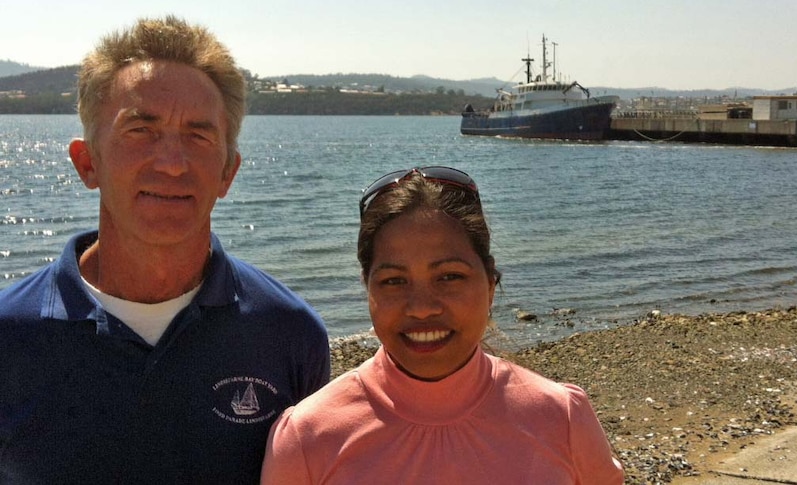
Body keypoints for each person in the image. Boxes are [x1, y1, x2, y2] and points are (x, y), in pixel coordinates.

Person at [0, 16, 330, 484]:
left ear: (227, 173)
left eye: (199, 136)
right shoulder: (10, 337)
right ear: (86, 161)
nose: (173, 163)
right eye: (141, 130)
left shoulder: (289, 335)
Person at [260, 166, 624, 484]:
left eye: (449, 276)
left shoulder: (561, 418)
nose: (421, 309)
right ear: (367, 289)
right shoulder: (308, 438)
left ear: (490, 284)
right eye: (393, 281)